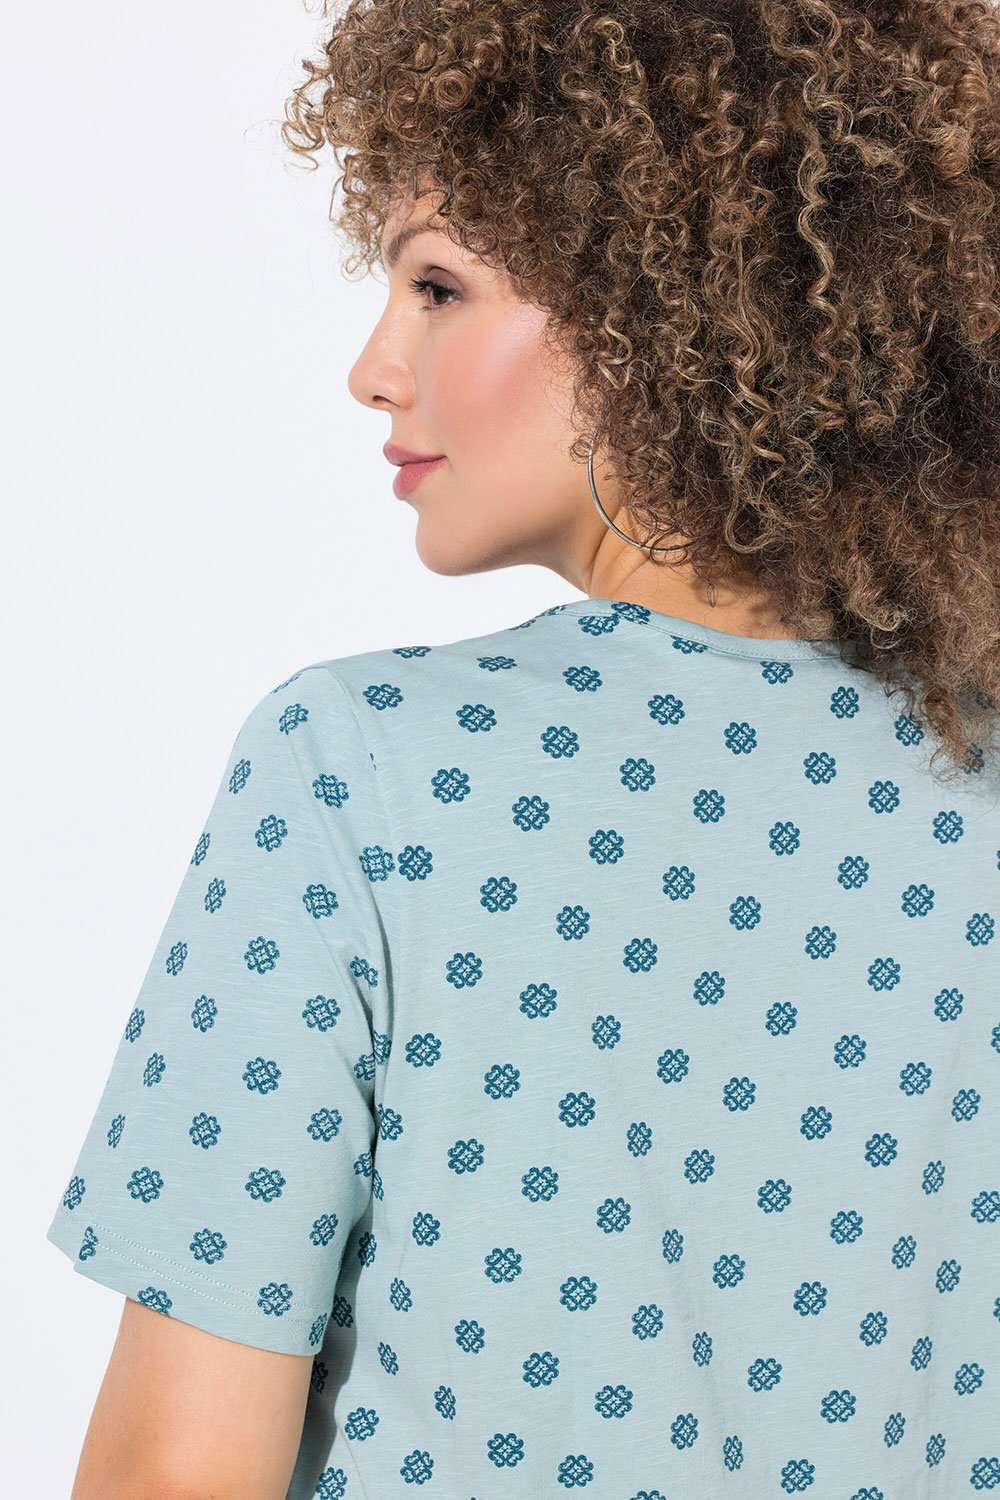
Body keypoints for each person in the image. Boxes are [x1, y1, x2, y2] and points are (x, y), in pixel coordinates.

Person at [48, 3, 1000, 1497]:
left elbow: (174, 1475)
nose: (375, 368)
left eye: (439, 286)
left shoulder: (363, 771)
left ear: (663, 304)